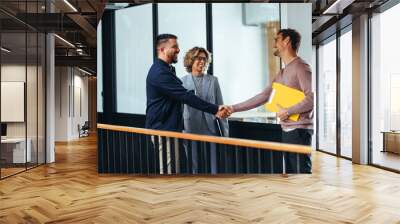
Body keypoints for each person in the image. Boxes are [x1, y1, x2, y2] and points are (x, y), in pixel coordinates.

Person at [225, 28, 314, 173]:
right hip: (288, 130)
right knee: (292, 175)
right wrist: (233, 108)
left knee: (301, 174)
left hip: (300, 131)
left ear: (286, 41)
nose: (274, 44)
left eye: (277, 39)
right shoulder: (282, 72)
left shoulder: (301, 67)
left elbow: (312, 97)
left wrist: (288, 111)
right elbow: (263, 96)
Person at [146, 34, 229, 174]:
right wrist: (215, 109)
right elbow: (185, 96)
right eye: (174, 47)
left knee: (172, 170)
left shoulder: (167, 70)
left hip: (172, 129)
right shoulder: (160, 72)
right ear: (162, 49)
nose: (178, 50)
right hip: (164, 130)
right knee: (170, 172)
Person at [181, 47, 229, 174]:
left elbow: (220, 106)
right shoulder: (182, 82)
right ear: (191, 60)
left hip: (210, 127)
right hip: (190, 127)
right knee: (193, 164)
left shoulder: (213, 81)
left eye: (204, 59)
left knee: (214, 165)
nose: (202, 61)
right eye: (198, 58)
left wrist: (225, 133)